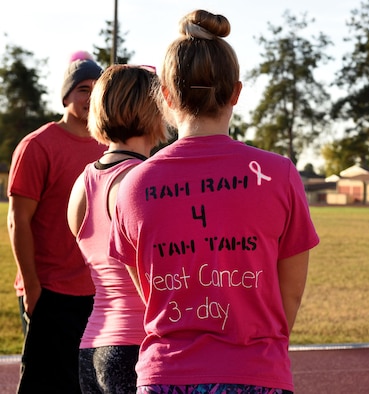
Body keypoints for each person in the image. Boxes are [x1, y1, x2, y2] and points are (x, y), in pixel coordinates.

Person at [108, 9, 320, 394]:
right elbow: (290, 294)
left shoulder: (133, 184)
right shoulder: (279, 173)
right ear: (236, 92)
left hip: (165, 377)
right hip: (257, 372)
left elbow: (148, 291)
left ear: (166, 96)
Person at [67, 64, 169, 393]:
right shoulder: (142, 180)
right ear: (153, 109)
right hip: (136, 346)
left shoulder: (83, 183)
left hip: (92, 346)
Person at [7, 51, 104, 393]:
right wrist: (33, 288)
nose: (90, 96)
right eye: (82, 88)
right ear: (66, 95)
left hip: (94, 293)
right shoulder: (37, 146)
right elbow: (18, 220)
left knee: (83, 384)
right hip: (49, 291)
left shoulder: (108, 148)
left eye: (97, 87)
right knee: (43, 384)